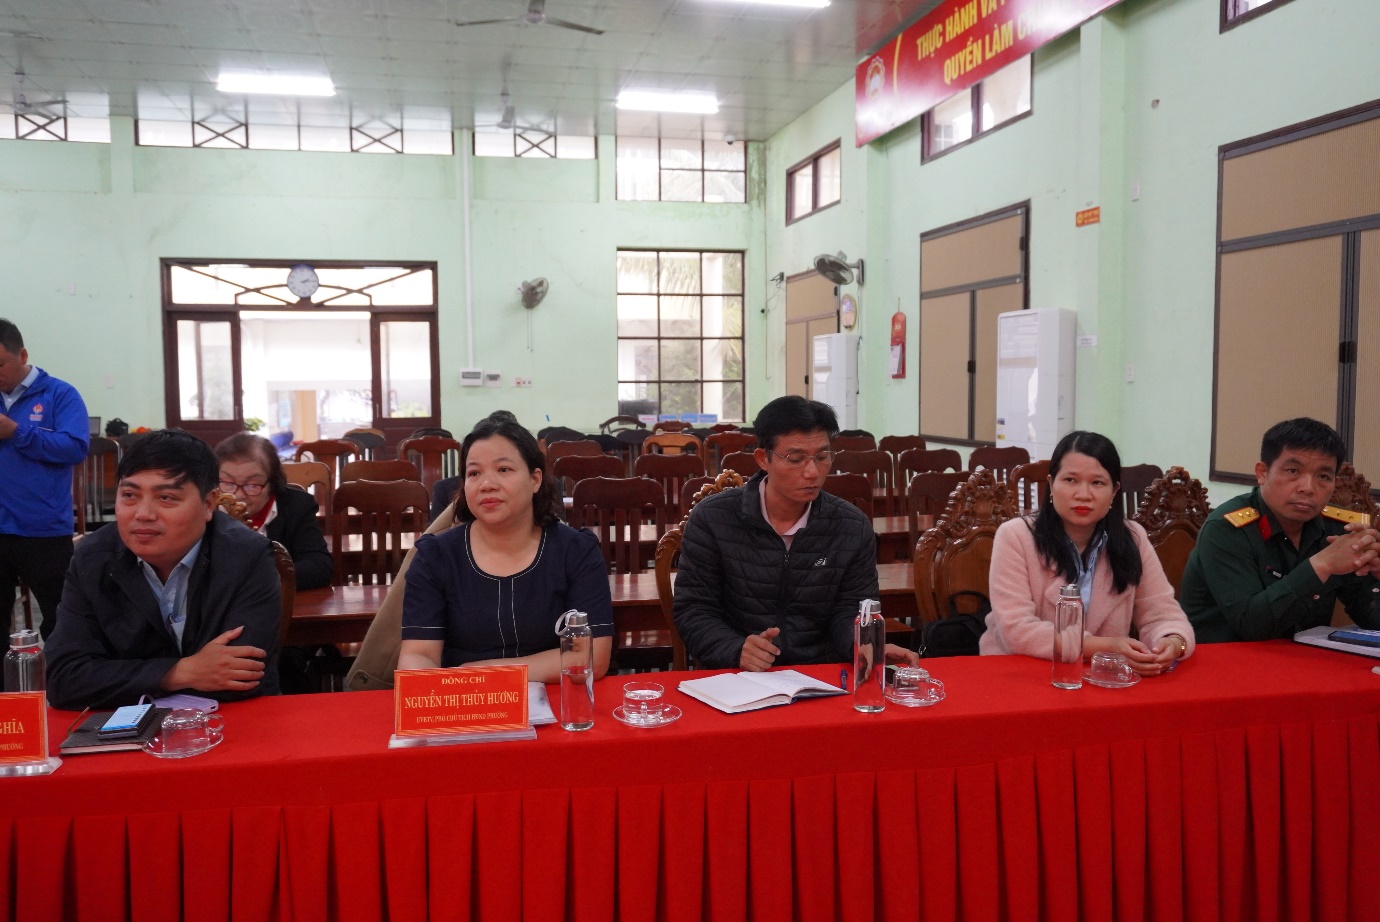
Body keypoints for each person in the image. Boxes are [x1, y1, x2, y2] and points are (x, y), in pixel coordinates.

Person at [673, 395, 919, 671]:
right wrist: (735, 649)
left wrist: (863, 644)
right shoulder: (713, 518)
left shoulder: (851, 526)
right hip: (737, 675)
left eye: (822, 457)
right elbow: (694, 609)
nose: (812, 472)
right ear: (763, 458)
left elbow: (852, 610)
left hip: (820, 675)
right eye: (796, 458)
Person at [46, 429, 281, 710]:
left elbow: (240, 677)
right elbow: (64, 680)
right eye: (129, 495)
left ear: (208, 504)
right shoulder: (93, 558)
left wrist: (118, 678)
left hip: (236, 720)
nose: (143, 514)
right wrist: (180, 672)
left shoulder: (247, 555)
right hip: (124, 727)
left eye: (166, 497)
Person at [397, 416, 614, 681]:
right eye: (474, 473)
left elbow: (590, 657)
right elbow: (418, 655)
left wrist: (484, 674)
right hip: (463, 699)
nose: (486, 484)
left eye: (503, 469)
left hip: (556, 698)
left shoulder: (576, 551)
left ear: (535, 479)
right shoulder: (436, 557)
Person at [980, 431, 1194, 674]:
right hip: (1020, 671)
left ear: (1114, 490)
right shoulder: (1016, 536)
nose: (1083, 495)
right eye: (1070, 480)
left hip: (1102, 675)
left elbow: (1163, 615)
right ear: (1051, 484)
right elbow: (1016, 630)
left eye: (1097, 483)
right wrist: (1106, 647)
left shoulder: (1133, 537)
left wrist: (1172, 642)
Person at [1180, 418, 1380, 642]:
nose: (1308, 488)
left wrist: (1378, 576)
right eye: (1293, 471)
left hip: (1304, 657)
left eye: (1323, 476)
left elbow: (1372, 618)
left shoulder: (1337, 527)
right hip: (1225, 655)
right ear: (1262, 472)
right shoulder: (1226, 528)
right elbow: (1250, 626)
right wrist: (1322, 565)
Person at [0, 318, 89, 641]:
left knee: (62, 616)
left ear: (22, 355)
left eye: (0, 365)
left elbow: (75, 447)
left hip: (42, 527)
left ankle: (62, 670)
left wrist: (17, 432)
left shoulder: (60, 395)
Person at [214, 432, 332, 589]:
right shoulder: (206, 507)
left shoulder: (296, 506)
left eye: (252, 485)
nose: (239, 495)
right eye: (228, 483)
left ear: (273, 483)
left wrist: (260, 577)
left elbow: (320, 568)